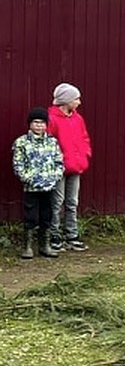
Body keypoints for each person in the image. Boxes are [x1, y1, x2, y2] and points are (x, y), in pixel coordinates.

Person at [12, 106, 64, 260]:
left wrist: (54, 177)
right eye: (35, 122)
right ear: (30, 124)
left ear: (46, 125)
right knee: (31, 217)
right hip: (31, 187)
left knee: (46, 216)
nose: (39, 126)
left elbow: (59, 162)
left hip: (49, 187)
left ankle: (45, 245)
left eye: (42, 123)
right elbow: (18, 165)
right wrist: (32, 179)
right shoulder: (22, 142)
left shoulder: (52, 142)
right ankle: (27, 247)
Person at [47, 83, 93, 251]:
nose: (79, 102)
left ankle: (71, 234)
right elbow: (48, 142)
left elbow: (84, 137)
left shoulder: (77, 118)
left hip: (76, 165)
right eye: (76, 99)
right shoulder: (52, 119)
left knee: (72, 201)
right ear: (66, 101)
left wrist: (85, 154)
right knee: (57, 202)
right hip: (59, 167)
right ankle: (54, 235)